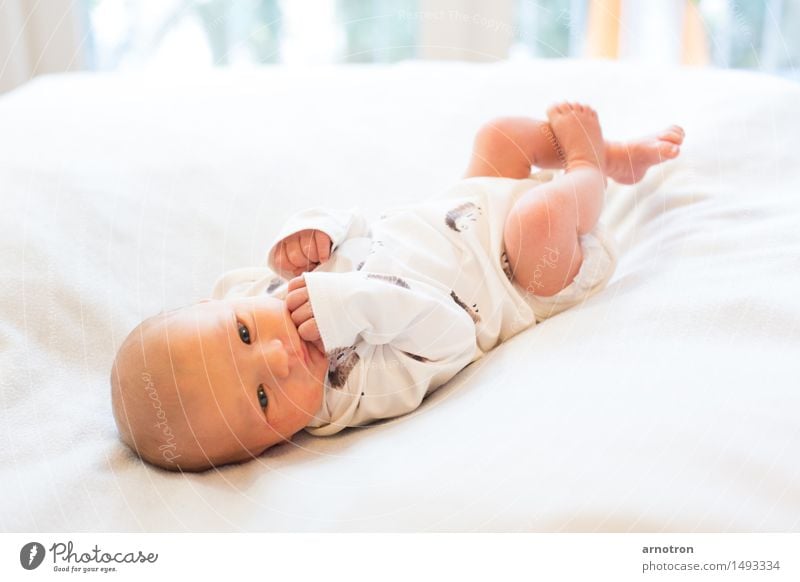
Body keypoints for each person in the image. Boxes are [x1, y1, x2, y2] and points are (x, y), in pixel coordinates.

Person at [110, 103, 684, 471]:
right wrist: (346, 303)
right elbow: (453, 334)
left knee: (500, 136)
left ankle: (614, 159)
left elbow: (362, 229)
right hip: (520, 274)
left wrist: (315, 233)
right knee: (540, 218)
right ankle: (587, 164)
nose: (280, 355)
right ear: (271, 446)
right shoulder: (353, 391)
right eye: (263, 397)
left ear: (222, 302)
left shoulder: (260, 292)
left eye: (241, 333)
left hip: (460, 212)